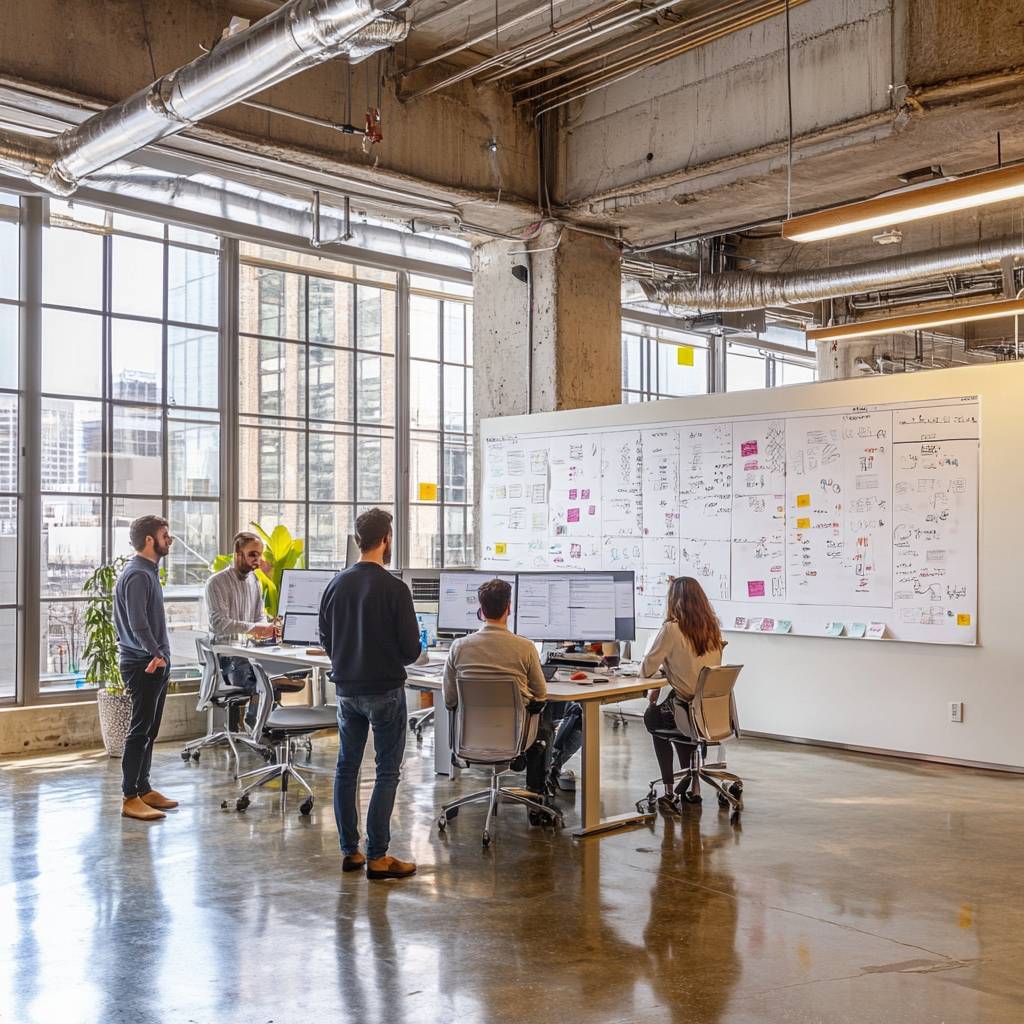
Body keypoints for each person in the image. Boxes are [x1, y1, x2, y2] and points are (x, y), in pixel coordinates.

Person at [319, 508, 420, 881]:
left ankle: (351, 851)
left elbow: (325, 639)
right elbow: (410, 650)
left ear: (358, 539)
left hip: (347, 691)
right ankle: (378, 856)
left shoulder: (336, 584)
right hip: (385, 690)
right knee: (386, 771)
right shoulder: (395, 589)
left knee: (346, 768)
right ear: (386, 539)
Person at [443, 578, 551, 798]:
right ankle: (537, 794)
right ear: (508, 608)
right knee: (547, 727)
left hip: (469, 737)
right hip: (515, 738)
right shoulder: (525, 647)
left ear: (481, 610)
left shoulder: (459, 647)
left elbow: (450, 700)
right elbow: (541, 694)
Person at [113, 514, 177, 822]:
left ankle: (143, 788)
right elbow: (137, 623)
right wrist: (156, 654)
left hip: (152, 661)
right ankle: (129, 797)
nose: (170, 540)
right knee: (139, 731)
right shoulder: (138, 574)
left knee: (150, 730)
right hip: (143, 663)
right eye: (165, 535)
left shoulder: (147, 571)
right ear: (150, 540)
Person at [641, 576, 724, 813]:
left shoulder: (672, 628)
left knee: (654, 717)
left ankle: (669, 789)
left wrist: (663, 668)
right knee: (677, 716)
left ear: (673, 600)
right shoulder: (712, 628)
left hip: (684, 712)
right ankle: (694, 786)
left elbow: (646, 669)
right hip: (709, 713)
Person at [204, 531, 277, 728]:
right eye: (252, 554)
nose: (257, 560)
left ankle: (263, 727)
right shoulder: (216, 582)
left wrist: (265, 628)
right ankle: (257, 726)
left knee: (278, 676)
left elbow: (258, 616)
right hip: (227, 658)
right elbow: (218, 623)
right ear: (238, 554)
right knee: (264, 681)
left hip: (249, 653)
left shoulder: (255, 581)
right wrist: (254, 628)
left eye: (259, 555)